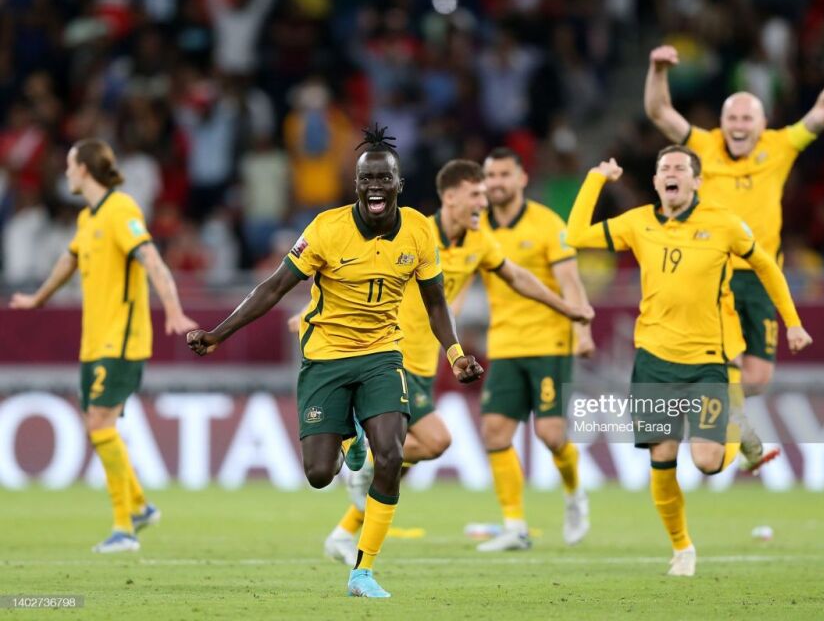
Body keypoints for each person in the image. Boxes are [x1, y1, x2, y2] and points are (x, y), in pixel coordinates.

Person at [185, 126, 483, 599]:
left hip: (383, 354)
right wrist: (219, 333)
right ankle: (351, 436)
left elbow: (435, 303)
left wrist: (456, 353)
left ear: (399, 184)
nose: (375, 186)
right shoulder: (326, 229)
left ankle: (363, 571)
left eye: (384, 178)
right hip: (326, 358)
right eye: (367, 179)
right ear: (356, 185)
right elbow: (274, 287)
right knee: (320, 474)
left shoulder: (419, 231)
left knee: (392, 456)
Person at [318, 159, 594, 566]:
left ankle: (344, 532)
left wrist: (566, 309)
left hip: (426, 363)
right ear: (450, 198)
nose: (484, 201)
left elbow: (516, 277)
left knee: (403, 459)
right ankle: (363, 462)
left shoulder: (479, 241)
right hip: (390, 355)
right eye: (476, 194)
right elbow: (360, 271)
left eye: (484, 193)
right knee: (435, 441)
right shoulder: (413, 231)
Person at [566, 149, 812, 576]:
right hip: (654, 361)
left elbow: (766, 267)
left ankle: (737, 428)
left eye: (680, 168)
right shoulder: (638, 222)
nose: (672, 173)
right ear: (656, 182)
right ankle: (682, 548)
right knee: (662, 459)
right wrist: (595, 178)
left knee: (707, 462)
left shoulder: (723, 223)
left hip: (706, 363)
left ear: (697, 181)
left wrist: (792, 322)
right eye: (664, 169)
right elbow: (575, 235)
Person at [643, 34, 824, 470]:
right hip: (714, 274)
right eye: (732, 117)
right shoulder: (702, 145)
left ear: (762, 122)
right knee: (724, 357)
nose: (739, 125)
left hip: (763, 276)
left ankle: (702, 399)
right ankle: (720, 424)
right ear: (722, 122)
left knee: (759, 378)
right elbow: (659, 112)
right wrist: (657, 70)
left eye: (747, 117)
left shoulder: (779, 146)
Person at [9, 138, 198, 553]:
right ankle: (140, 506)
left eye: (69, 164)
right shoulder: (87, 217)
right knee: (97, 426)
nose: (65, 172)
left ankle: (124, 528)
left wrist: (173, 309)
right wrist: (38, 298)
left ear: (84, 169)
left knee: (99, 425)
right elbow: (69, 260)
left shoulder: (121, 209)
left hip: (122, 340)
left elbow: (151, 259)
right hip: (94, 342)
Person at [475, 147, 595, 552]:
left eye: (503, 175)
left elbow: (570, 281)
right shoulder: (477, 227)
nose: (496, 183)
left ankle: (574, 493)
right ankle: (514, 525)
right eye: (490, 176)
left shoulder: (547, 224)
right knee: (494, 431)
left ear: (522, 179)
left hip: (549, 341)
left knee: (550, 434)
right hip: (504, 342)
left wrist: (582, 330)